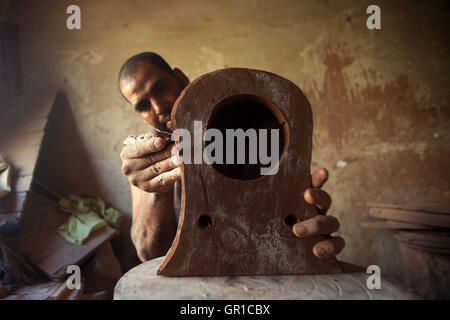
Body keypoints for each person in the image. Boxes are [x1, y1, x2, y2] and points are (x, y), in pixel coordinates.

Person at [118, 52, 345, 263]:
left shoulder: (245, 128)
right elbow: (148, 253)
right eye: (143, 105)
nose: (158, 107)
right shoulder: (146, 160)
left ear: (180, 77)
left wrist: (309, 223)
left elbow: (281, 216)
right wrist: (158, 189)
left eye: (160, 88)